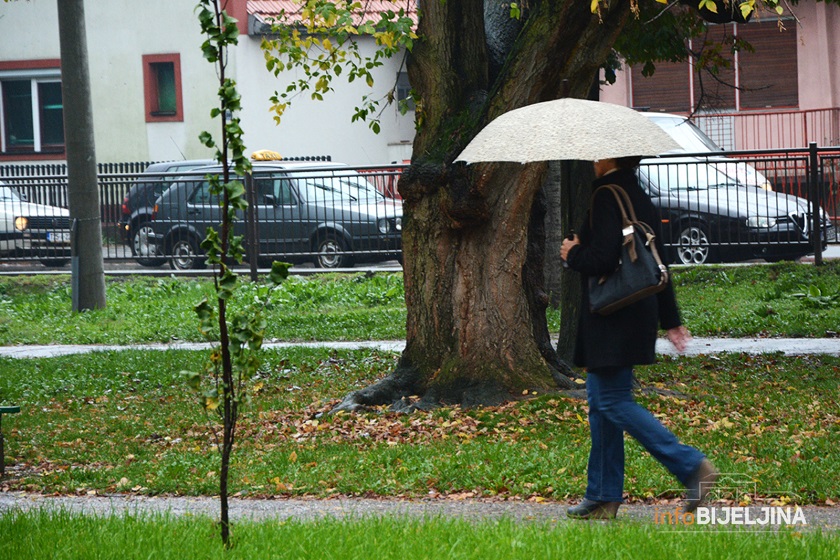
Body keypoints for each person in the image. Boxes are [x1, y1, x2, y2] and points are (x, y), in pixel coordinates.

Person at [560, 156, 717, 520]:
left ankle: (691, 466)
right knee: (601, 407)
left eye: (597, 153)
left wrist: (573, 253)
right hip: (637, 312)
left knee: (612, 402)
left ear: (609, 157)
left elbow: (601, 259)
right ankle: (602, 496)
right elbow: (657, 263)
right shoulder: (638, 195)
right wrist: (670, 319)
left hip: (612, 317)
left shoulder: (604, 195)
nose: (592, 159)